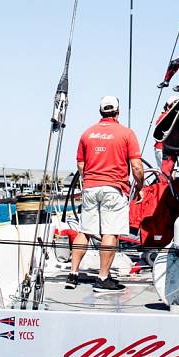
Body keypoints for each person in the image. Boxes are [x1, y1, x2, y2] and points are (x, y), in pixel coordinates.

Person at [66, 95, 144, 292]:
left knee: (85, 231)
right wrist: (140, 186)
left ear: (101, 112)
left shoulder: (87, 133)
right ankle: (102, 278)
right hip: (114, 188)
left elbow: (81, 164)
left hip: (90, 187)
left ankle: (73, 274)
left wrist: (89, 180)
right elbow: (136, 166)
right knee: (110, 232)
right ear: (117, 112)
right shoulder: (126, 133)